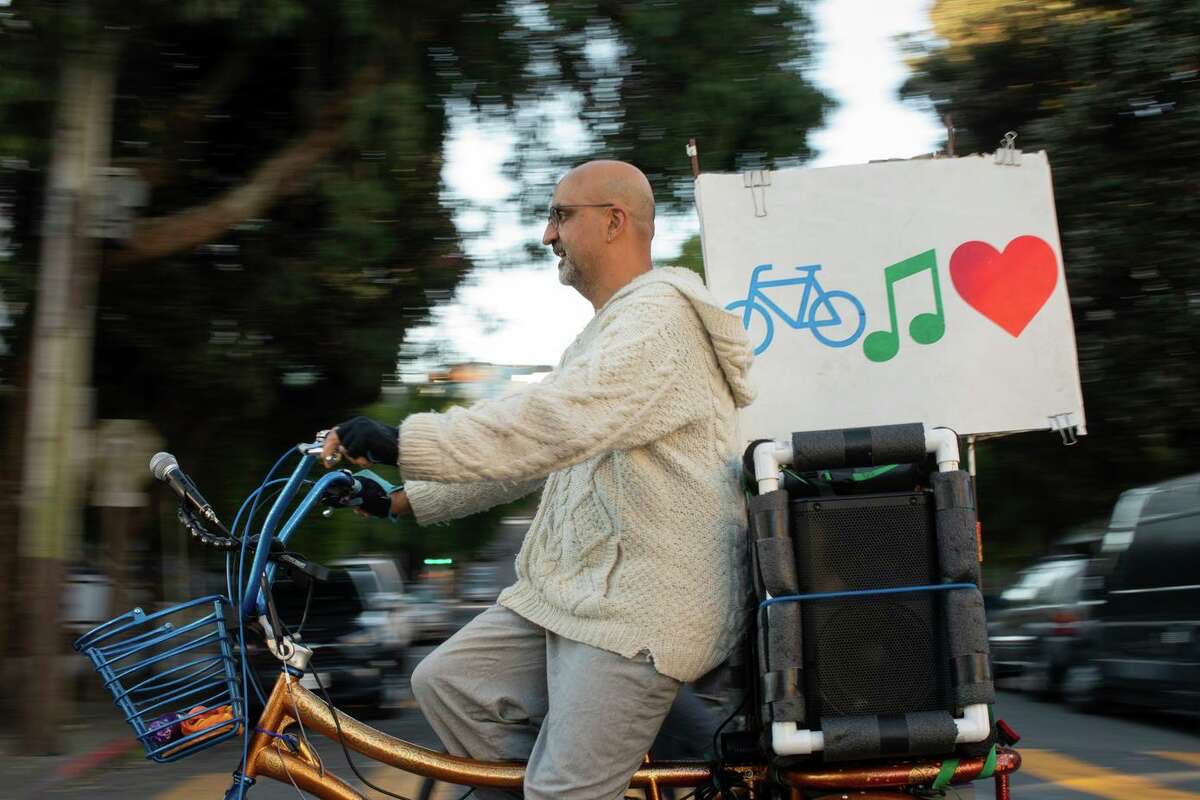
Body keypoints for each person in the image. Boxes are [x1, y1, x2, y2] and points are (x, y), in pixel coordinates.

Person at [321, 159, 755, 799]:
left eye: (559, 215)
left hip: (641, 606)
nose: (547, 235)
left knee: (561, 793)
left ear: (614, 222)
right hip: (579, 594)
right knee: (449, 683)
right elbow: (538, 453)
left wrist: (403, 441)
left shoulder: (660, 320)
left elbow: (549, 424)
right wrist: (402, 503)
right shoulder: (606, 335)